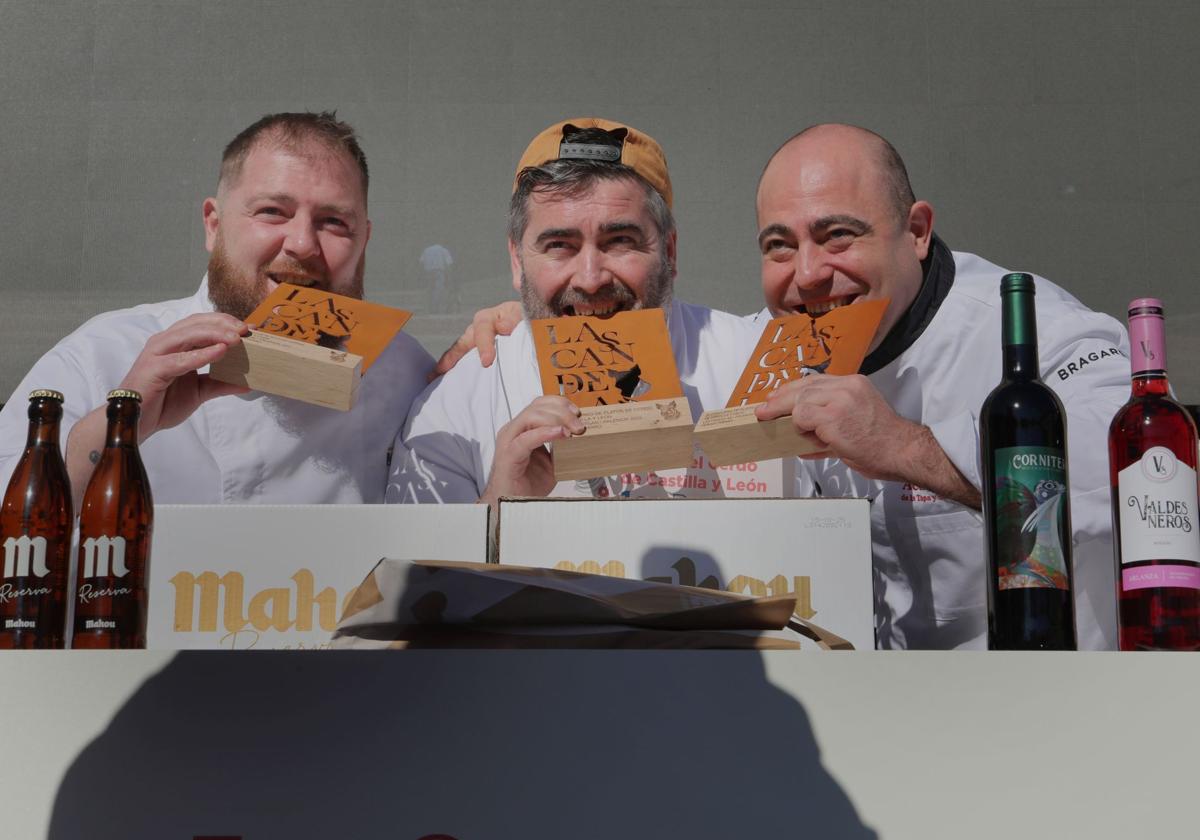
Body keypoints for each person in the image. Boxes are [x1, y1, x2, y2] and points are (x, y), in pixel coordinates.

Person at [751, 124, 1129, 650]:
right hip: (869, 704)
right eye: (779, 246)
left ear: (917, 231)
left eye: (837, 234)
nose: (809, 273)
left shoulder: (1028, 325)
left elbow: (1136, 463)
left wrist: (904, 446)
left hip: (1049, 694)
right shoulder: (763, 349)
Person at [0, 112, 433, 505]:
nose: (302, 244)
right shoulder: (100, 357)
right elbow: (13, 536)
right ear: (213, 225)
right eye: (272, 212)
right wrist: (122, 426)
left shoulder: (407, 372)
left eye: (334, 222)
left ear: (364, 242)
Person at [388, 118, 760, 505]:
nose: (590, 279)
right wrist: (500, 504)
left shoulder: (752, 366)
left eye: (619, 241)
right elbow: (422, 563)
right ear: (517, 262)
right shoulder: (451, 410)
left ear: (669, 252)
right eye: (560, 245)